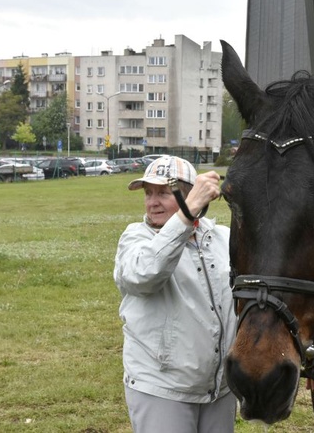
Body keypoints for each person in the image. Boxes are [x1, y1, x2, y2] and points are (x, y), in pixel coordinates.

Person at [114, 156, 237, 433]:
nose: (152, 202)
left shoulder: (222, 238)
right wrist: (185, 214)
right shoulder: (136, 238)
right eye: (148, 193)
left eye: (163, 193)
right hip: (162, 388)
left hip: (220, 389)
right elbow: (144, 275)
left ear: (192, 193)